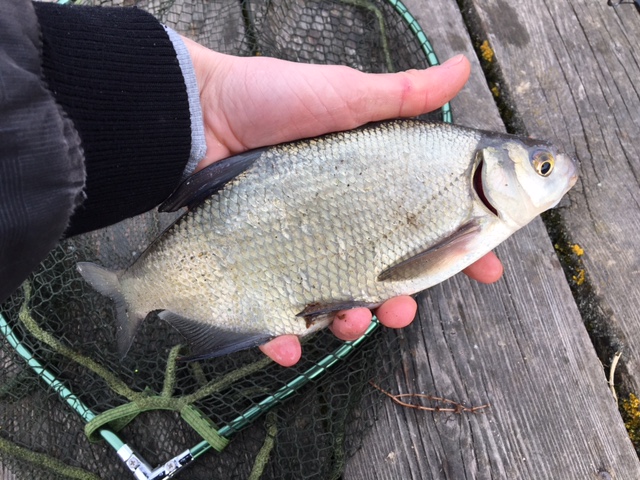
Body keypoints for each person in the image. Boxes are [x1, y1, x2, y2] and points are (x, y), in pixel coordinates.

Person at [0, 1, 502, 367]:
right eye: (539, 168)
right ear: (485, 174)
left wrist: (201, 101)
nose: (543, 180)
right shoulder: (459, 168)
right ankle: (135, 291)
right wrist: (199, 102)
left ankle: (138, 289)